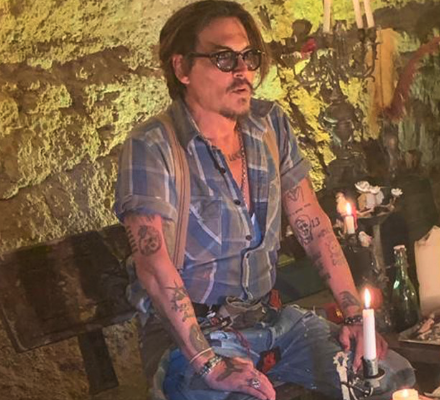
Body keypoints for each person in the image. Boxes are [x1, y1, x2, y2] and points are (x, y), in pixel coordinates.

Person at [113, 2, 416, 400]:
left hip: (271, 321)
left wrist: (356, 318)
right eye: (224, 58)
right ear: (182, 68)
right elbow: (154, 267)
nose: (243, 72)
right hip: (193, 338)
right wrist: (210, 364)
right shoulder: (154, 147)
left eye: (249, 57)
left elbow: (313, 226)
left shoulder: (269, 124)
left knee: (387, 377)